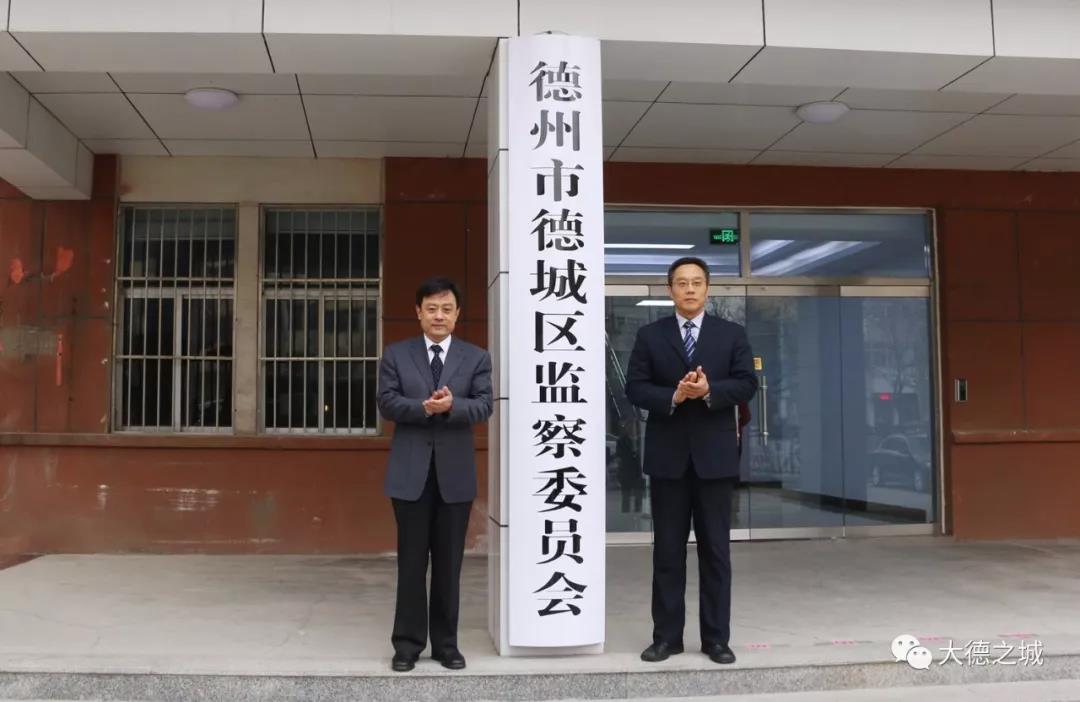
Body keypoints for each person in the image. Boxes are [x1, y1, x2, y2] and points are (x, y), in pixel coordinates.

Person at [625, 256, 758, 665]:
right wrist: (675, 395)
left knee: (716, 552)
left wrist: (709, 391)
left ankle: (716, 639)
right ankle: (667, 638)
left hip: (715, 460)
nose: (689, 289)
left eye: (696, 282)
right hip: (668, 460)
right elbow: (634, 388)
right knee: (667, 553)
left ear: (707, 288)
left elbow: (747, 384)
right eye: (681, 283)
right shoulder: (650, 335)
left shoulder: (731, 334)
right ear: (670, 290)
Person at [376, 276, 493, 673]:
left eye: (446, 309)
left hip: (454, 476)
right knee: (411, 564)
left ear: (458, 314)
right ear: (418, 313)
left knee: (449, 565)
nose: (439, 316)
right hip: (410, 474)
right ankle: (407, 644)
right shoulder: (397, 354)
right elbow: (387, 402)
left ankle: (446, 645)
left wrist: (452, 406)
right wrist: (424, 408)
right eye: (431, 309)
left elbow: (484, 405)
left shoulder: (476, 357)